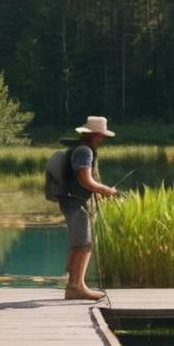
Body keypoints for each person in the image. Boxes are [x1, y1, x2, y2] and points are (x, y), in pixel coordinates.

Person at [59, 116, 119, 301]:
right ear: (93, 135)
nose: (102, 139)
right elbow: (85, 180)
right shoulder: (85, 151)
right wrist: (106, 190)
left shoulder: (79, 148)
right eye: (101, 135)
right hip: (76, 203)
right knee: (84, 245)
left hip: (72, 201)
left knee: (80, 243)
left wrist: (98, 194)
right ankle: (77, 287)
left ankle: (73, 285)